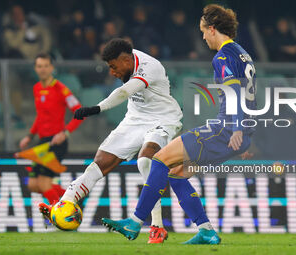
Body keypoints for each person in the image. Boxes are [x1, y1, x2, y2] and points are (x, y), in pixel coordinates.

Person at [101, 4, 256, 245]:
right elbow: (251, 97)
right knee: (176, 173)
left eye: (204, 31)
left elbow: (235, 92)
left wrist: (236, 129)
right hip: (239, 131)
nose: (203, 37)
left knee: (160, 159)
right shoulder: (243, 53)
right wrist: (246, 134)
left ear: (213, 29)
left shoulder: (223, 56)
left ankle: (134, 222)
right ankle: (206, 231)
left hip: (225, 129)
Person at [39, 38, 183, 244]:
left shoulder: (149, 66)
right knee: (97, 165)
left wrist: (96, 108)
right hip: (135, 120)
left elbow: (123, 92)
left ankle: (157, 226)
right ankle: (64, 204)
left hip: (164, 120)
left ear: (126, 60)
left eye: (114, 67)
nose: (112, 72)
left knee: (145, 161)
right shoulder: (126, 59)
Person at [19, 53, 83, 206]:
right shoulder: (37, 88)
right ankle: (75, 199)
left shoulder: (60, 89)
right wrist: (29, 135)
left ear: (52, 68)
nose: (43, 69)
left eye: (46, 66)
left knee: (44, 184)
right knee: (33, 185)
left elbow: (79, 112)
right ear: (35, 68)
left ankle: (60, 217)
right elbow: (40, 116)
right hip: (43, 143)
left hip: (56, 142)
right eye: (39, 66)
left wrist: (65, 133)